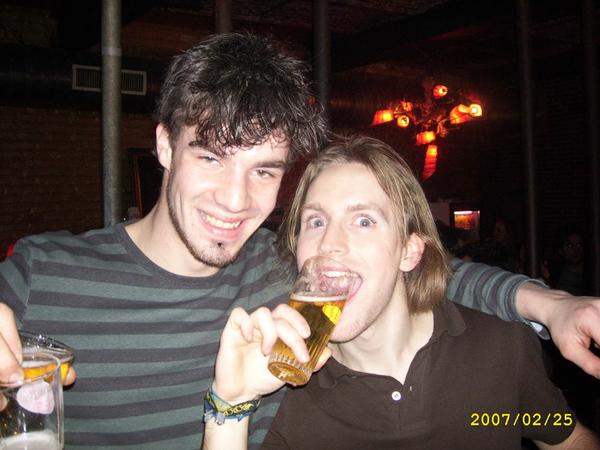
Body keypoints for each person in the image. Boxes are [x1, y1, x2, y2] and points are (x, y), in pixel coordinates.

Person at [0, 33, 599, 448]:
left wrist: (549, 304)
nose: (235, 201)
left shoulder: (287, 270)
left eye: (263, 170)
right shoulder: (41, 276)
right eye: (211, 157)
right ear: (164, 146)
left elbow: (410, 272)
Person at [204, 136, 599, 450]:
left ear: (409, 251)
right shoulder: (284, 390)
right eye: (316, 221)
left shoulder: (501, 347)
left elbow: (565, 438)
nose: (329, 244)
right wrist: (230, 403)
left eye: (363, 220)